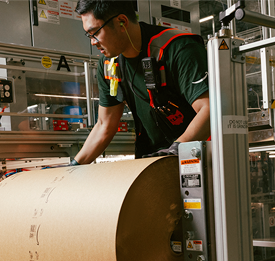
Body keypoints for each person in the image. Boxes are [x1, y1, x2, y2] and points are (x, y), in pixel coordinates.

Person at [70, 0, 210, 165]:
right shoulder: (109, 65)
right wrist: (74, 166)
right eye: (89, 35)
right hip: (152, 161)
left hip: (197, 157)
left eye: (95, 32)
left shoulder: (178, 49)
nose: (93, 41)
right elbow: (104, 125)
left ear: (122, 22)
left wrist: (176, 150)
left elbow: (209, 110)